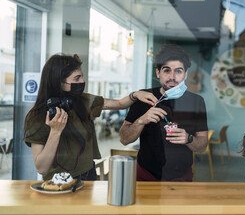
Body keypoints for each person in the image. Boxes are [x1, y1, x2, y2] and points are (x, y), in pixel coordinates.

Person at [24, 54, 157, 181]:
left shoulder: (83, 101)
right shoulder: (36, 116)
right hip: (59, 182)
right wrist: (55, 131)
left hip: (89, 176)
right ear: (59, 82)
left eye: (82, 77)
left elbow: (119, 104)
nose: (83, 81)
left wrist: (136, 95)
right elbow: (41, 168)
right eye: (76, 78)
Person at [119, 44, 208, 181]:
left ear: (185, 74)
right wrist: (141, 120)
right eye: (167, 71)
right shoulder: (144, 97)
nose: (172, 77)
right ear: (158, 73)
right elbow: (124, 139)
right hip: (145, 175)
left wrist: (188, 139)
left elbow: (202, 146)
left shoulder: (197, 101)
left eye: (178, 71)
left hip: (181, 177)